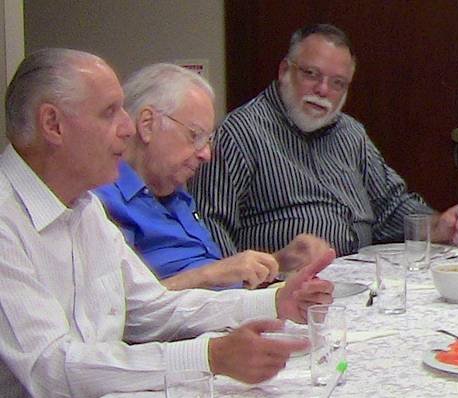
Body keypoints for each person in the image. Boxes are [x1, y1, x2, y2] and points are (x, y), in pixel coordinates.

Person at [0, 49, 333, 398]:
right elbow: (52, 374)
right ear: (53, 124)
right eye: (109, 113)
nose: (127, 128)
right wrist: (209, 356)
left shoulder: (84, 208)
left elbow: (152, 309)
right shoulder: (6, 220)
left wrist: (273, 302)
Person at [189, 23, 458, 258]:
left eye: (338, 83)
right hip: (279, 290)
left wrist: (437, 226)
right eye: (311, 74)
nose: (323, 90)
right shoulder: (240, 133)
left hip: (357, 283)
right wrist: (259, 277)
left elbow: (390, 207)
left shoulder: (351, 134)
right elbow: (211, 226)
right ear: (284, 70)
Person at [95, 63, 331, 290]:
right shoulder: (102, 202)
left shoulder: (176, 195)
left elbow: (216, 279)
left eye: (208, 140)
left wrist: (277, 263)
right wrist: (209, 275)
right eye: (195, 136)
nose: (206, 154)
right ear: (147, 124)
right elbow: (118, 311)